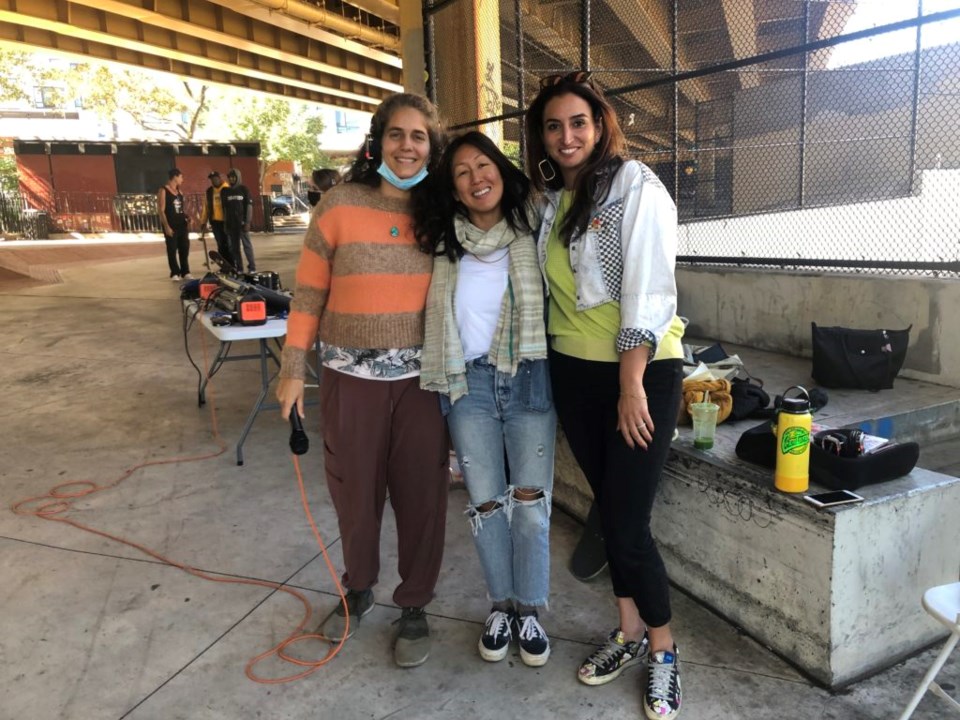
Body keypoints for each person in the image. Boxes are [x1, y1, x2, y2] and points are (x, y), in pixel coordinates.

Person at [526, 71, 687, 720]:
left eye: (578, 123)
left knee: (627, 524)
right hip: (574, 375)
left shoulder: (633, 186)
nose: (567, 137)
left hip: (637, 374)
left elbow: (649, 286)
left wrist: (630, 384)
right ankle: (626, 633)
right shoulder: (551, 201)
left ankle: (665, 651)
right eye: (554, 126)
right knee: (610, 511)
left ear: (600, 126)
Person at [276, 92, 448, 669]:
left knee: (422, 496)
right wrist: (292, 369)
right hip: (349, 378)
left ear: (432, 145)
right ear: (378, 141)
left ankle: (415, 603)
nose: (407, 145)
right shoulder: (338, 205)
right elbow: (308, 293)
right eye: (397, 134)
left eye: (419, 136)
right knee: (355, 491)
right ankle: (358, 587)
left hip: (422, 380)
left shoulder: (439, 212)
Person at [415, 131, 556, 667]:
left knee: (531, 506)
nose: (477, 178)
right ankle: (500, 605)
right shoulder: (442, 242)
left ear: (501, 168)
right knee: (487, 504)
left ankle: (530, 611)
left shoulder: (534, 225)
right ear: (453, 190)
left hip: (528, 377)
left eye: (484, 165)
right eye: (462, 173)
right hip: (467, 382)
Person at [158, 168, 190, 281]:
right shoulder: (163, 190)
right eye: (181, 177)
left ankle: (185, 271)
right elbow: (161, 210)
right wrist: (166, 226)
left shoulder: (179, 192)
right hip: (171, 225)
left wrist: (187, 217)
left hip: (182, 224)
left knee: (184, 248)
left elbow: (180, 209)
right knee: (172, 249)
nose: (182, 179)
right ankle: (174, 272)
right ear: (175, 177)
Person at [221, 168, 256, 273]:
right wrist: (225, 224)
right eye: (230, 177)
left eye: (233, 177)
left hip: (242, 224)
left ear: (238, 177)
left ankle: (252, 267)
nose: (231, 179)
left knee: (247, 246)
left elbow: (249, 206)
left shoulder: (244, 189)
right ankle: (239, 268)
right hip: (231, 225)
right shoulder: (225, 191)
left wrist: (247, 222)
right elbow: (224, 209)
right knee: (234, 248)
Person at [199, 170, 233, 269]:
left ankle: (232, 264)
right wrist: (203, 222)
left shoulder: (227, 189)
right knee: (220, 244)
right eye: (212, 179)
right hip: (215, 222)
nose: (213, 181)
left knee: (229, 244)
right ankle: (224, 265)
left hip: (226, 221)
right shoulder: (209, 191)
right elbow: (206, 207)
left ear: (219, 178)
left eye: (215, 178)